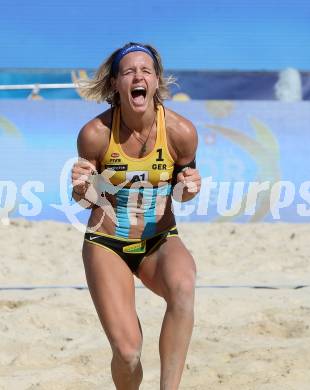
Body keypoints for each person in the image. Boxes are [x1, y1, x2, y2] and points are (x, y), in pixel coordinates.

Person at [71, 42, 201, 390]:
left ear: (157, 81)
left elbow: (182, 191)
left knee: (184, 286)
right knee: (128, 353)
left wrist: (188, 188)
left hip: (159, 241)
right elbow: (88, 202)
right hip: (107, 243)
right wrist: (81, 189)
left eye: (145, 70)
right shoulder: (95, 135)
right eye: (129, 72)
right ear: (116, 84)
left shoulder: (181, 132)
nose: (138, 76)